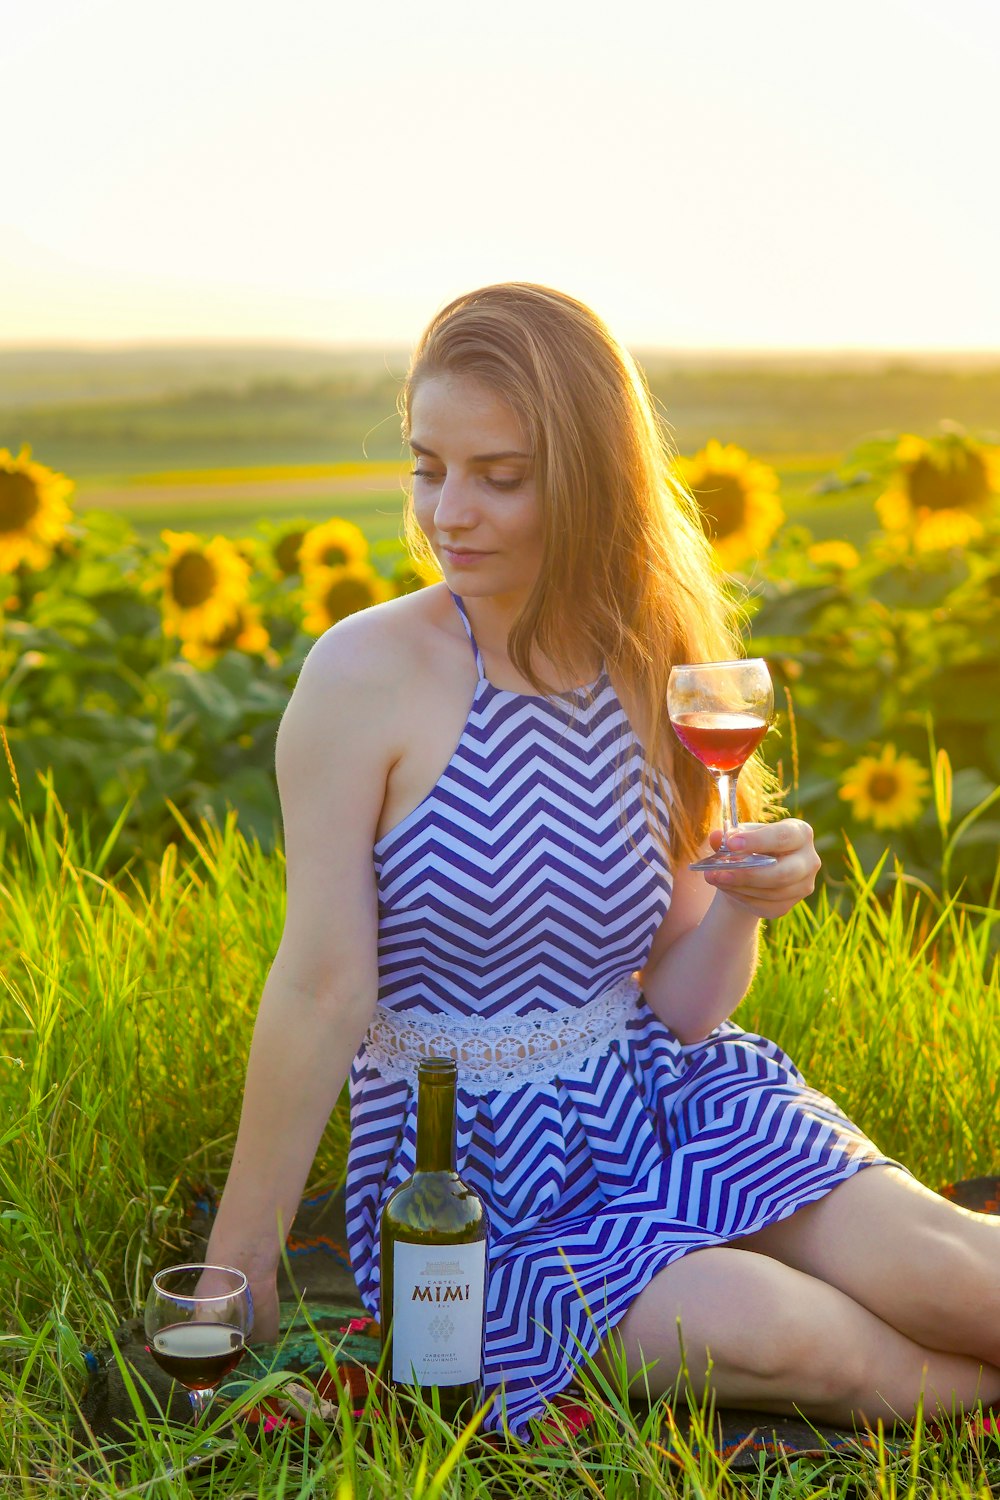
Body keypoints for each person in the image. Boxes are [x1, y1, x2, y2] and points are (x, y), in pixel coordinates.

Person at [204, 283, 1000, 1441]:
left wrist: (743, 907)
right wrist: (241, 1267)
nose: (449, 512)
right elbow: (323, 987)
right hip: (472, 1182)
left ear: (588, 476)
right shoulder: (363, 673)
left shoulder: (654, 658)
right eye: (430, 467)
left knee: (960, 1285)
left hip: (665, 1096)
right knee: (806, 1344)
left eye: (501, 475)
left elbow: (678, 1003)